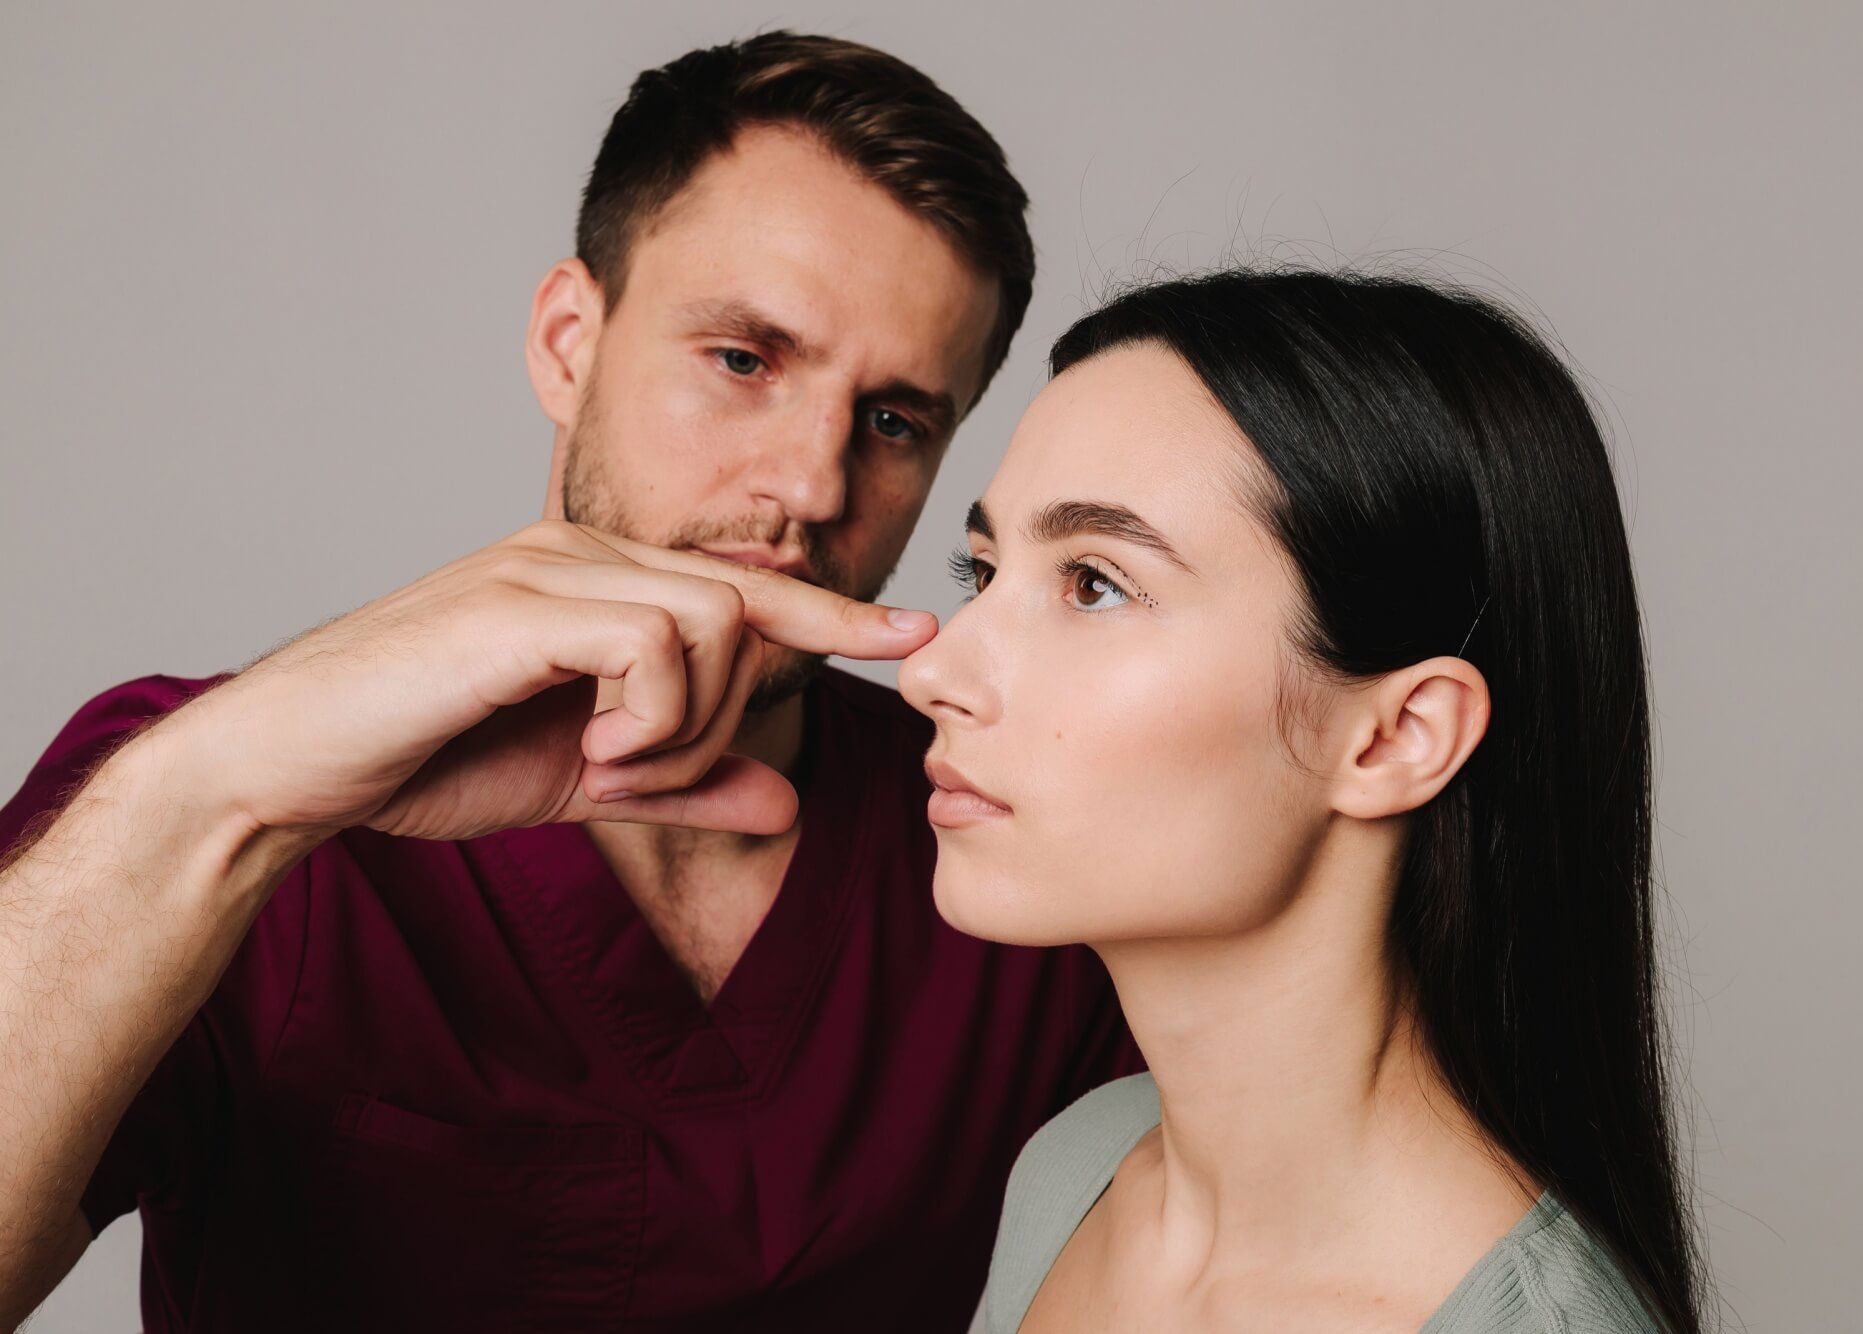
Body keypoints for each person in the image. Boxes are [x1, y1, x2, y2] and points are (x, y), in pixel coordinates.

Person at [0, 33, 1140, 1332]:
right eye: (744, 360)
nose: (814, 484)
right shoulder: (200, 776)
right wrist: (227, 802)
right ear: (566, 342)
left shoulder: (998, 843)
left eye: (892, 422)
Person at [899, 268, 1709, 1332]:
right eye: (982, 570)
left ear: (1393, 736)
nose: (932, 671)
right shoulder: (1072, 1171)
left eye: (1093, 583)